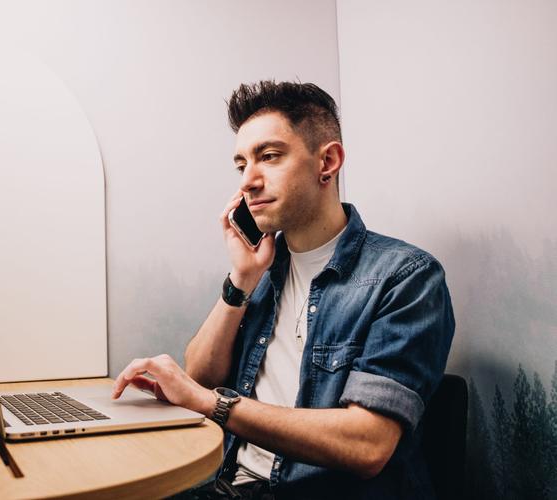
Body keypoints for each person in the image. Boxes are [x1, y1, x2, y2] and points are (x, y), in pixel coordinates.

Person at [112, 81, 455, 499]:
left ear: (327, 162)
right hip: (229, 486)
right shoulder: (265, 270)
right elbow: (200, 374)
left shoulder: (405, 277)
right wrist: (240, 281)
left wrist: (213, 404)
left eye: (269, 157)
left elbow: (368, 445)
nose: (249, 182)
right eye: (241, 165)